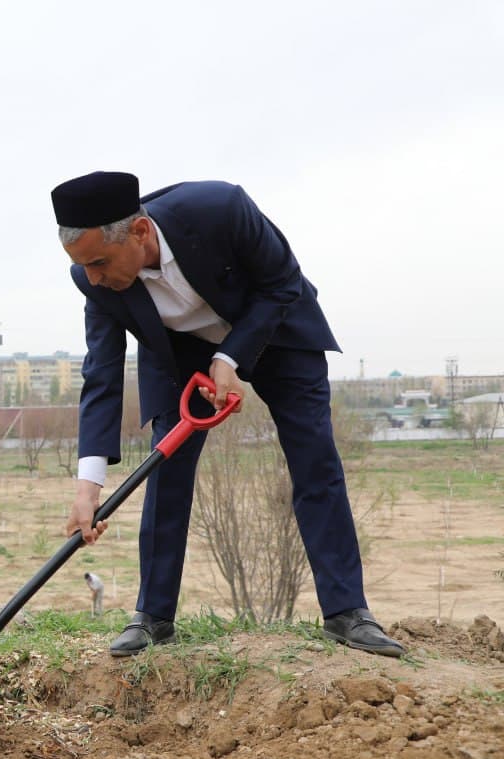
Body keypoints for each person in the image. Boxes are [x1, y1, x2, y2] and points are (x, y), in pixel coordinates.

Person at [49, 171, 404, 658]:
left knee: (314, 461)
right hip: (180, 357)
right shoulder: (95, 281)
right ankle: (153, 618)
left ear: (140, 232)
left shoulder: (220, 209)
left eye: (99, 262)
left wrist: (230, 358)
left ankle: (347, 613)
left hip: (277, 332)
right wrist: (87, 488)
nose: (92, 277)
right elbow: (102, 377)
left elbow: (282, 283)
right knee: (167, 471)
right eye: (82, 266)